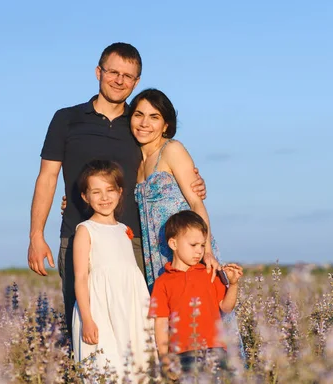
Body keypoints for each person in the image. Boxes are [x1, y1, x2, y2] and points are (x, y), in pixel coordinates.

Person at [27, 43, 207, 337]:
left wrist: (194, 181)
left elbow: (166, 160)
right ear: (99, 72)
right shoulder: (66, 119)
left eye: (128, 76)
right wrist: (36, 234)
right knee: (83, 324)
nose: (119, 80)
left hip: (134, 241)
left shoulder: (138, 123)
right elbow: (47, 177)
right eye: (113, 72)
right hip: (76, 236)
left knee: (139, 331)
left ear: (136, 82)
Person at [71, 160, 156, 384]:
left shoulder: (123, 229)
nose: (104, 197)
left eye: (110, 190)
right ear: (85, 197)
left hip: (131, 305)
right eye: (96, 192)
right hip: (100, 309)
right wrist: (87, 320)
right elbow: (80, 277)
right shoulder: (85, 230)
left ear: (120, 193)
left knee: (137, 362)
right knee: (107, 364)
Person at [131, 88, 224, 292]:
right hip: (155, 254)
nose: (144, 123)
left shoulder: (172, 149)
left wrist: (206, 250)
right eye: (139, 115)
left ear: (166, 125)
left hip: (188, 249)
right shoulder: (135, 160)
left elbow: (196, 203)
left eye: (154, 117)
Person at [150, 210, 242, 374]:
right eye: (193, 245)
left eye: (202, 245)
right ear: (173, 244)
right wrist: (164, 359)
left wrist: (233, 284)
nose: (199, 251)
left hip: (215, 350)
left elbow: (226, 307)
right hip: (181, 355)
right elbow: (161, 323)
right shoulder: (162, 282)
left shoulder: (210, 273)